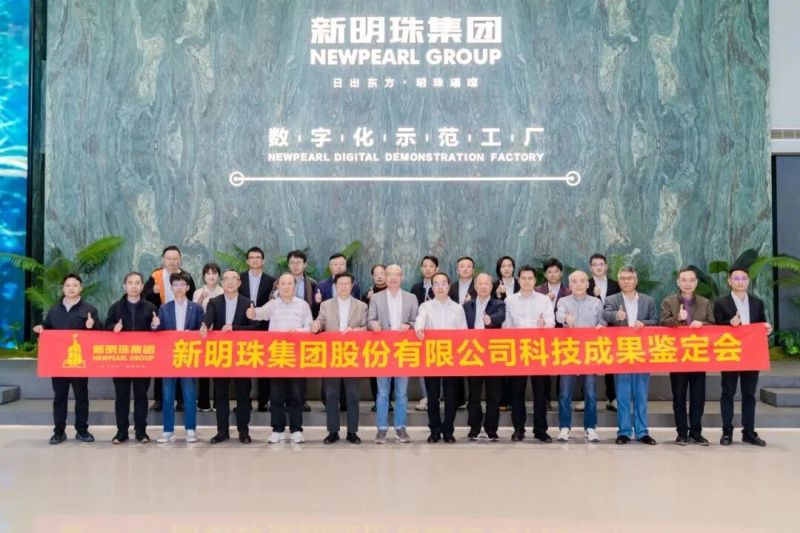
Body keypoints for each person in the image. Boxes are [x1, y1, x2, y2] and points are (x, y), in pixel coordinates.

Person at [33, 273, 101, 445]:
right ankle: (59, 432)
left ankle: (82, 430)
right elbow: (47, 328)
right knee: (59, 397)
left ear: (81, 288)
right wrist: (40, 329)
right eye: (68, 285)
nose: (71, 288)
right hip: (59, 362)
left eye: (75, 285)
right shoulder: (54, 309)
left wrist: (92, 326)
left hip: (80, 362)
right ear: (63, 289)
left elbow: (100, 333)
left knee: (81, 397)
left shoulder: (89, 309)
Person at [248, 273, 314, 444]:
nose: (286, 286)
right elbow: (260, 314)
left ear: (295, 286)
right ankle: (277, 430)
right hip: (277, 356)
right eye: (282, 283)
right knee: (276, 396)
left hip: (297, 357)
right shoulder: (273, 304)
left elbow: (310, 327)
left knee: (296, 396)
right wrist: (252, 313)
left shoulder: (303, 305)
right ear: (278, 286)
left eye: (289, 283)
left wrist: (297, 332)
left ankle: (296, 430)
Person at [714, 267, 773, 447]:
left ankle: (749, 432)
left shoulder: (757, 302)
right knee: (728, 393)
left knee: (749, 394)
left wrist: (768, 329)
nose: (740, 282)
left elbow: (761, 324)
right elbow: (715, 329)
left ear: (748, 281)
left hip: (751, 354)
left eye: (743, 278)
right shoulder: (721, 303)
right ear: (729, 281)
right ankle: (727, 431)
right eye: (736, 278)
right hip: (730, 353)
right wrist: (729, 324)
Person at [603, 266, 659, 445]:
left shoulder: (648, 300)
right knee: (623, 395)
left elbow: (656, 321)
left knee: (641, 395)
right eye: (623, 278)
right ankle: (624, 432)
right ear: (619, 281)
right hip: (621, 353)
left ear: (636, 280)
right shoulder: (612, 299)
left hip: (642, 353)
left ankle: (642, 432)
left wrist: (644, 323)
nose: (627, 281)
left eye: (630, 278)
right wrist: (615, 315)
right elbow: (605, 315)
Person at [660, 267, 715, 446]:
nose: (687, 283)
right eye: (684, 280)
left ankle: (696, 432)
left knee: (698, 397)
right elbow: (662, 323)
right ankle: (682, 433)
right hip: (677, 357)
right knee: (679, 397)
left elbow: (714, 326)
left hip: (698, 356)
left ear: (696, 283)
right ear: (678, 282)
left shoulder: (705, 302)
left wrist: (703, 324)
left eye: (691, 280)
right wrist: (677, 318)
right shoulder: (669, 301)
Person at [201, 269, 258, 444]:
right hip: (221, 355)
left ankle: (243, 431)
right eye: (226, 279)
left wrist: (235, 328)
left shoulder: (248, 302)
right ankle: (222, 431)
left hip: (242, 355)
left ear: (239, 283)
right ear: (222, 282)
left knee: (243, 395)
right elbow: (208, 319)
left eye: (234, 279)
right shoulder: (214, 302)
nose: (230, 282)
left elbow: (255, 327)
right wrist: (204, 326)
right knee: (221, 395)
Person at [311, 272, 368, 444]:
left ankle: (352, 432)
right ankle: (333, 431)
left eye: (346, 284)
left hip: (352, 356)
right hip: (332, 355)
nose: (343, 287)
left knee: (352, 395)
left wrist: (356, 331)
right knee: (331, 395)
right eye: (340, 284)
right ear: (335, 286)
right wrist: (316, 325)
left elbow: (366, 328)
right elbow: (320, 321)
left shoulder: (361, 306)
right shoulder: (326, 305)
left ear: (352, 286)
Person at [503, 265, 555, 443]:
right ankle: (518, 429)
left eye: (530, 278)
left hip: (539, 350)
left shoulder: (544, 300)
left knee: (540, 393)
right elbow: (506, 326)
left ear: (535, 280)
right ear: (518, 280)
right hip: (518, 351)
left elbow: (551, 323)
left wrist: (544, 324)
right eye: (523, 278)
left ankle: (541, 430)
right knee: (517, 393)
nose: (526, 281)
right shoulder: (510, 301)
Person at [104, 272, 157, 444]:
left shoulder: (150, 307)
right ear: (124, 286)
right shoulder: (115, 308)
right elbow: (106, 327)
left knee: (141, 396)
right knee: (122, 397)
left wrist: (155, 326)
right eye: (130, 283)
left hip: (143, 359)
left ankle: (141, 431)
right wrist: (114, 327)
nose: (134, 286)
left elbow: (157, 332)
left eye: (137, 283)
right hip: (121, 359)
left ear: (142, 286)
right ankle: (121, 432)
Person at [152, 271, 205, 443]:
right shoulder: (164, 308)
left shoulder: (196, 308)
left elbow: (202, 330)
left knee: (189, 394)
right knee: (167, 395)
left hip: (188, 356)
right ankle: (168, 430)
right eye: (175, 285)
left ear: (188, 288)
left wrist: (196, 333)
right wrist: (155, 325)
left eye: (182, 285)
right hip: (169, 358)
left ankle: (191, 429)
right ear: (171, 288)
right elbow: (158, 330)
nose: (179, 288)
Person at [368, 264, 418, 444]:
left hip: (403, 351)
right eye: (389, 274)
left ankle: (400, 428)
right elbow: (370, 320)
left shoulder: (411, 298)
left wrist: (409, 325)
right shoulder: (376, 298)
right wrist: (374, 325)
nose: (393, 278)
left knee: (402, 393)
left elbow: (417, 320)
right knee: (382, 393)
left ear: (402, 277)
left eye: (397, 275)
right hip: (382, 351)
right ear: (385, 277)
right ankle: (381, 429)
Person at [415, 272, 468, 443]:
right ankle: (435, 430)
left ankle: (448, 430)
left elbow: (463, 332)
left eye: (443, 283)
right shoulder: (425, 306)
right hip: (432, 356)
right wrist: (419, 330)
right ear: (432, 287)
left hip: (452, 357)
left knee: (451, 396)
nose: (440, 287)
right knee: (432, 396)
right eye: (436, 283)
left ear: (449, 286)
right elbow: (420, 321)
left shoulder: (457, 308)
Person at [144, 245, 196, 413]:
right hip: (163, 324)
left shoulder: (186, 277)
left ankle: (181, 400)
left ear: (180, 259)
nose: (172, 261)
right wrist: (152, 291)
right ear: (163, 259)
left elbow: (193, 298)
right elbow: (145, 296)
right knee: (162, 363)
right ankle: (160, 400)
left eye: (175, 258)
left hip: (183, 325)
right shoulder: (156, 276)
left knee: (182, 363)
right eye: (168, 258)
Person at [555, 270, 605, 443]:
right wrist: (565, 318)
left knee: (590, 393)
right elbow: (558, 315)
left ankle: (590, 428)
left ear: (587, 284)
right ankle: (564, 427)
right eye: (574, 281)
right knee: (565, 393)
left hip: (589, 352)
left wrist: (601, 327)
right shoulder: (563, 301)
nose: (578, 284)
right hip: (568, 352)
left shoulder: (596, 302)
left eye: (582, 281)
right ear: (569, 285)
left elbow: (603, 322)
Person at [463, 273, 506, 441]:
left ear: (491, 286)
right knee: (474, 395)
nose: (483, 287)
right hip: (473, 354)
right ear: (475, 287)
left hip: (493, 354)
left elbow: (501, 317)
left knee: (493, 395)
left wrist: (490, 320)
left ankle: (491, 429)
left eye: (486, 283)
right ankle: (474, 427)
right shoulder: (467, 306)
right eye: (480, 284)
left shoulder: (499, 304)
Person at [314, 253, 357, 411]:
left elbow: (358, 308)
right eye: (335, 264)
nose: (339, 267)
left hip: (350, 340)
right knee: (329, 376)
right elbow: (319, 314)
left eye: (342, 264)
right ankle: (329, 403)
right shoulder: (321, 285)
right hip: (329, 340)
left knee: (348, 375)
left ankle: (345, 403)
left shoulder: (354, 285)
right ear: (330, 266)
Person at [238, 247, 276, 412]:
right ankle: (244, 401)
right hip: (243, 326)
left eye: (258, 257)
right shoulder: (239, 279)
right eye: (252, 257)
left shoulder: (271, 280)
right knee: (243, 364)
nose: (255, 260)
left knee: (264, 365)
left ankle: (263, 401)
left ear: (263, 260)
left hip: (264, 327)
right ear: (247, 261)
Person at [280, 250, 317, 412]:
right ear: (288, 264)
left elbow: (315, 307)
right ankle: (284, 399)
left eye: (298, 262)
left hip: (303, 331)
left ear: (305, 264)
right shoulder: (279, 282)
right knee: (283, 365)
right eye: (292, 262)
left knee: (301, 367)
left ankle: (301, 399)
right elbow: (271, 301)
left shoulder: (312, 283)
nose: (295, 265)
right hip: (284, 333)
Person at [536, 257, 572, 410]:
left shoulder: (569, 291)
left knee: (562, 367)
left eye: (556, 271)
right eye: (549, 272)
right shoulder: (537, 291)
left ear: (561, 273)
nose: (553, 274)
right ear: (545, 274)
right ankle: (545, 399)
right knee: (544, 367)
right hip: (543, 335)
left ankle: (561, 397)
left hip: (563, 334)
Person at [587, 253, 621, 412]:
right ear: (590, 268)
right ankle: (586, 398)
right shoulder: (585, 284)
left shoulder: (616, 284)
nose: (598, 267)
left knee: (611, 364)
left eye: (601, 264)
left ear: (606, 266)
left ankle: (612, 398)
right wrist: (592, 295)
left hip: (612, 329)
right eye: (595, 265)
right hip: (591, 330)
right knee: (589, 364)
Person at [410, 255, 439, 412]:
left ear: (437, 269)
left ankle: (437, 396)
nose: (428, 269)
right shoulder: (416, 288)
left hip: (438, 332)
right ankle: (425, 396)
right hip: (421, 332)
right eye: (425, 266)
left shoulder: (442, 286)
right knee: (423, 365)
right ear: (421, 269)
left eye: (431, 266)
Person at [193, 262, 223, 413]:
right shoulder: (198, 292)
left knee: (218, 370)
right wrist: (200, 299)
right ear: (204, 276)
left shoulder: (223, 291)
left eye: (214, 273)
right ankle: (203, 403)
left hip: (219, 336)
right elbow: (194, 312)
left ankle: (218, 402)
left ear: (219, 276)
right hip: (203, 335)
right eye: (208, 273)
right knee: (203, 371)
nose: (211, 276)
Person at [363, 264, 393, 412]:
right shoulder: (366, 295)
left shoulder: (393, 292)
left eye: (382, 273)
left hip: (391, 339)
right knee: (375, 371)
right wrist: (368, 299)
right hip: (373, 340)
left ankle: (388, 401)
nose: (380, 277)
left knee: (391, 371)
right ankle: (377, 400)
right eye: (376, 274)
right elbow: (364, 317)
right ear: (372, 277)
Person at [492, 256, 519, 411]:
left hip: (517, 331)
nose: (507, 269)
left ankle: (515, 400)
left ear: (513, 268)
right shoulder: (494, 285)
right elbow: (490, 307)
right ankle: (503, 400)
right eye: (503, 266)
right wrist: (497, 295)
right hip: (500, 331)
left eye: (509, 265)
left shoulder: (521, 283)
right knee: (502, 367)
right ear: (499, 269)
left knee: (515, 368)